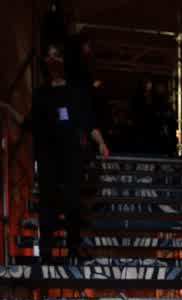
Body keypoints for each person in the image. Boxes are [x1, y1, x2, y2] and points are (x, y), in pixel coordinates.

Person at [1, 43, 109, 261]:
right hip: (48, 157)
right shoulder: (42, 95)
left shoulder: (76, 93)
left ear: (64, 60)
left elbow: (89, 123)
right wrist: (8, 109)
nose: (53, 61)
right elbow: (29, 123)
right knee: (47, 204)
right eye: (49, 57)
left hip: (71, 157)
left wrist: (101, 143)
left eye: (56, 56)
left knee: (73, 202)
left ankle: (73, 248)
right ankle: (47, 250)